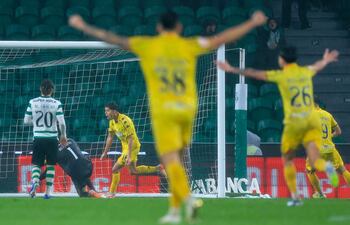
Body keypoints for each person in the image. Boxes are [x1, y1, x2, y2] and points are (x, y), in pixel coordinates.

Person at [69, 10, 267, 223]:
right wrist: (252, 22)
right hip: (187, 109)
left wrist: (83, 26)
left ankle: (188, 201)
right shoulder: (189, 44)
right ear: (179, 28)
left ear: (158, 28)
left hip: (165, 111)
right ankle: (175, 211)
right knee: (179, 162)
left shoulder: (148, 45)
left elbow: (114, 39)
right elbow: (223, 38)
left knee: (171, 160)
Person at [216, 46, 339, 206]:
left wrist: (231, 68)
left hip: (294, 123)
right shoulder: (306, 71)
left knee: (288, 160)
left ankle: (295, 198)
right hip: (311, 121)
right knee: (315, 159)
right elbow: (317, 66)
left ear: (282, 60)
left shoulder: (281, 75)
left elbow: (255, 73)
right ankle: (327, 167)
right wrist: (326, 60)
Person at [101, 102, 166, 198]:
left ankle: (112, 192)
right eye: (105, 111)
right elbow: (110, 137)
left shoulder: (125, 121)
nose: (105, 113)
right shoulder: (112, 122)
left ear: (114, 111)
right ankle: (158, 168)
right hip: (125, 148)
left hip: (133, 146)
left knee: (115, 169)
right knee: (133, 171)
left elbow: (131, 138)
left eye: (107, 111)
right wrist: (105, 152)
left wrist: (129, 155)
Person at [24, 79, 67, 199]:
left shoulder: (32, 102)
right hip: (52, 138)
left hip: (38, 137)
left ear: (40, 89)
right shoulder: (56, 103)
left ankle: (35, 181)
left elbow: (26, 121)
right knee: (51, 165)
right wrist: (63, 135)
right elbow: (62, 123)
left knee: (36, 164)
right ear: (52, 90)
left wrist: (38, 124)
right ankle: (47, 193)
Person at [306, 97, 350, 198]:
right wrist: (329, 136)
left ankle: (320, 194)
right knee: (342, 170)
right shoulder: (327, 114)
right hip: (330, 148)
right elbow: (338, 131)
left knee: (310, 171)